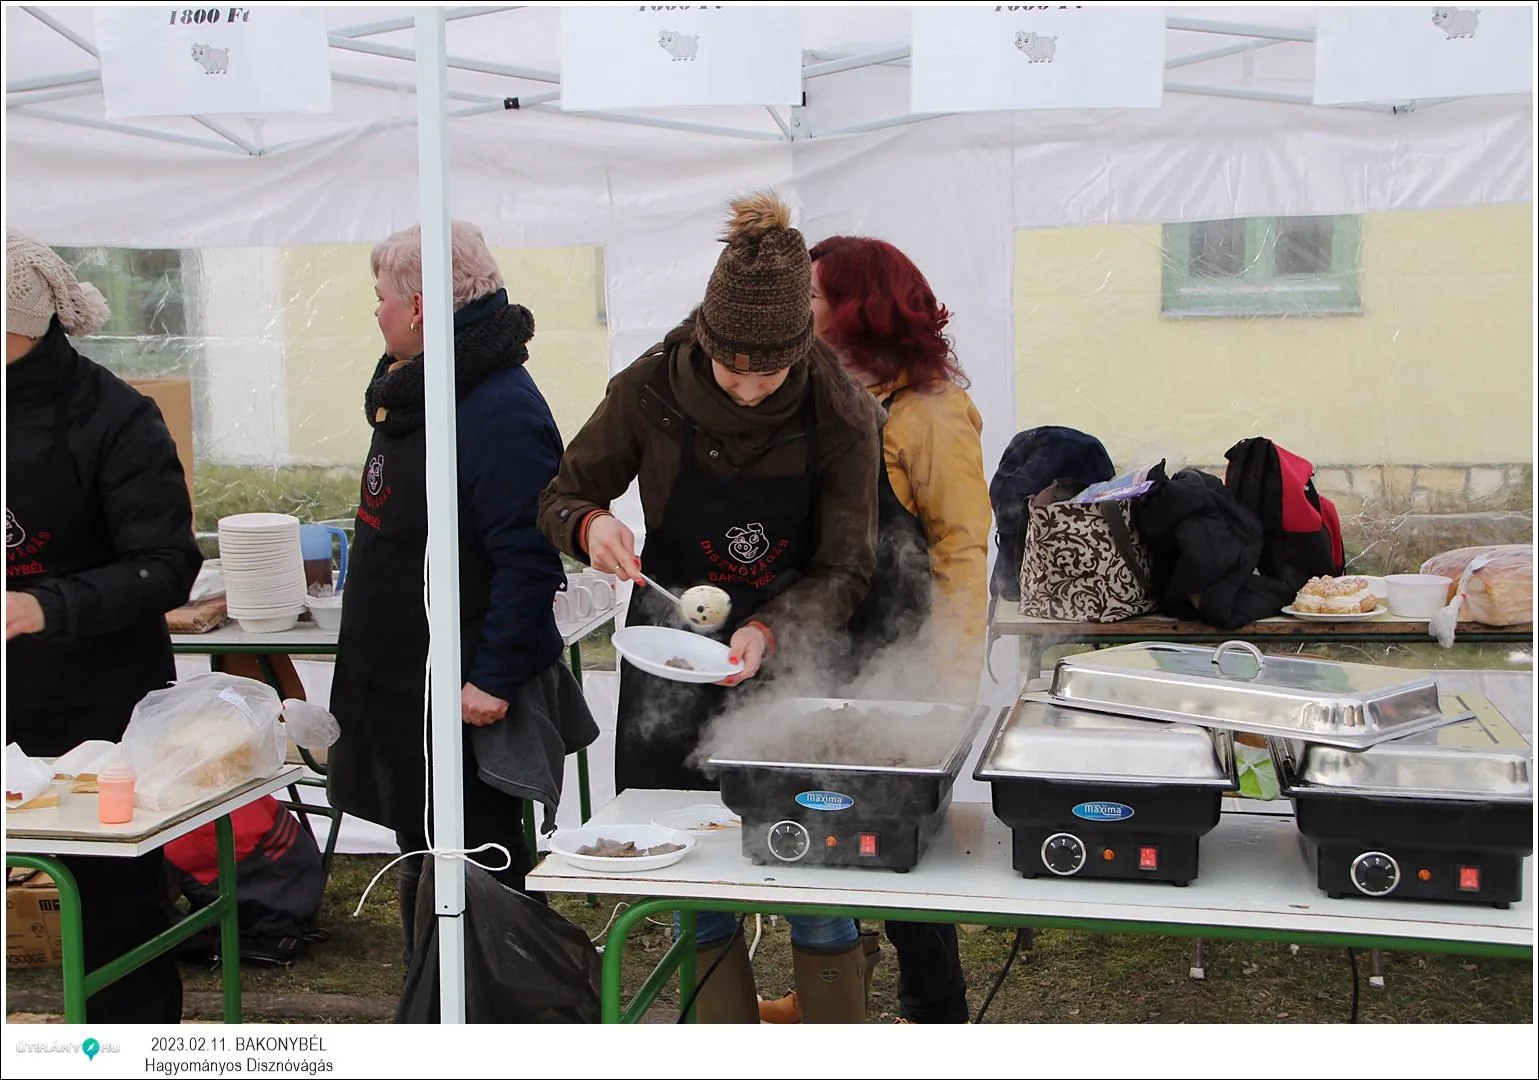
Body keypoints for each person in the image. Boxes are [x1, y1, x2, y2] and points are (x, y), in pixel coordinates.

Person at [539, 193, 883, 1023]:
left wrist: (771, 627)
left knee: (811, 870)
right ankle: (719, 1034)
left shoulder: (838, 410)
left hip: (791, 651)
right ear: (706, 339)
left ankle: (830, 1033)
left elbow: (847, 567)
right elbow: (561, 492)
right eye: (735, 370)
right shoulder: (647, 390)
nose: (752, 387)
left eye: (770, 373)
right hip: (670, 661)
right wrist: (590, 525)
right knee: (686, 863)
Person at [327, 221, 587, 965]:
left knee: (475, 862)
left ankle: (489, 1013)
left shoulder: (498, 408)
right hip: (407, 679)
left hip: (463, 690)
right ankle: (431, 1002)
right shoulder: (418, 389)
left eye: (379, 298)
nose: (374, 313)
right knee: (422, 847)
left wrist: (494, 675)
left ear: (416, 306)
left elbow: (530, 557)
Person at [5, 231, 203, 1023]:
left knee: (115, 911)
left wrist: (42, 606)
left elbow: (165, 563)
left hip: (95, 711)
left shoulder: (115, 415)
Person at [802, 234, 991, 1025]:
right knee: (819, 829)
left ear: (854, 308)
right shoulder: (829, 398)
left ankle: (933, 1015)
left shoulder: (933, 414)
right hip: (828, 653)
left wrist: (945, 686)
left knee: (903, 847)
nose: (795, 311)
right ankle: (834, 997)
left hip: (903, 661)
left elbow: (961, 549)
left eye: (808, 298)